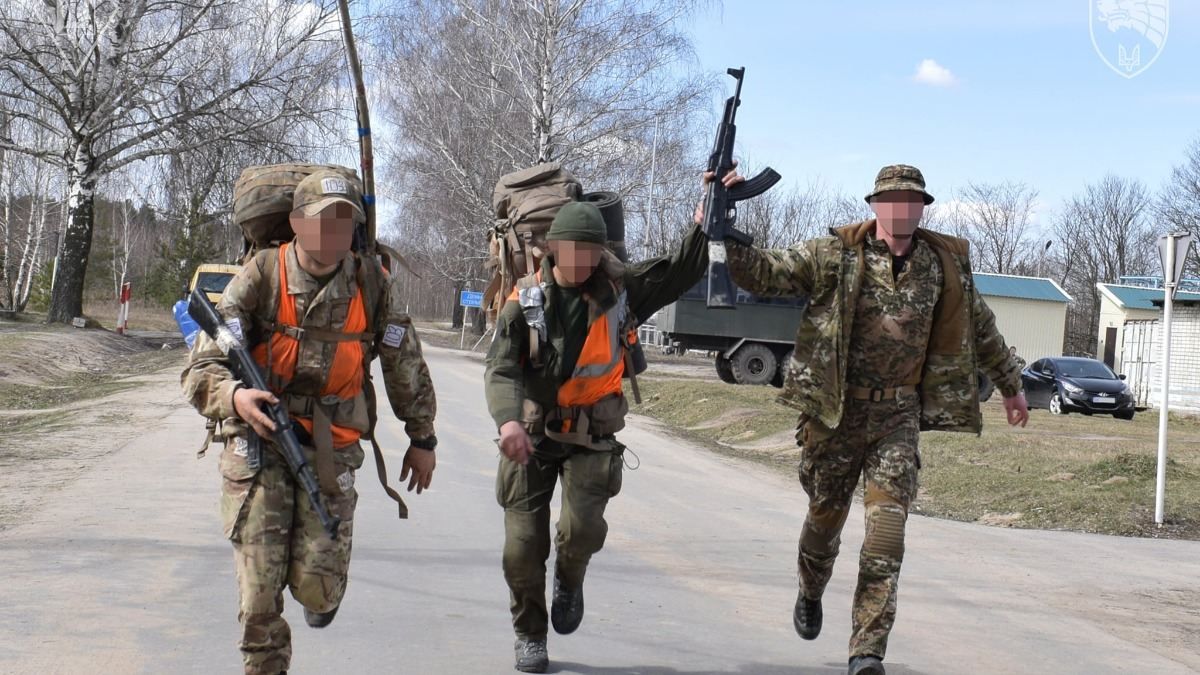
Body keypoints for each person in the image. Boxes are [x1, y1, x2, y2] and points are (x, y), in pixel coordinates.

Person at [723, 164, 1029, 675]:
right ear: (874, 205)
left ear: (923, 207)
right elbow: (764, 273)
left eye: (911, 200)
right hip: (835, 414)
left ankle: (866, 651)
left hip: (898, 416)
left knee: (887, 536)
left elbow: (982, 329)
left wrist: (1012, 387)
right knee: (824, 523)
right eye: (891, 200)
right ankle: (809, 587)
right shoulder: (834, 255)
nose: (901, 208)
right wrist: (726, 228)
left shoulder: (944, 266)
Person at [181, 170, 438, 675]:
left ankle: (319, 594)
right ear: (298, 223)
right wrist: (235, 397)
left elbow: (402, 362)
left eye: (345, 224)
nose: (333, 234)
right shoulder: (261, 275)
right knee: (258, 594)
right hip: (259, 442)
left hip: (332, 445)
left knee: (319, 589)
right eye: (322, 221)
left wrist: (421, 436)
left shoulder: (370, 282)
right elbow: (200, 366)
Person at [485, 170, 738, 673]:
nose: (581, 262)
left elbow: (680, 270)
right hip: (532, 437)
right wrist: (508, 421)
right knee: (521, 548)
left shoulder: (622, 291)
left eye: (591, 253)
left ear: (602, 254)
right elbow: (501, 368)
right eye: (571, 251)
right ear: (552, 249)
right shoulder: (525, 301)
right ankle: (530, 635)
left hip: (592, 436)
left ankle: (570, 579)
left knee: (580, 533)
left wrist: (707, 210)